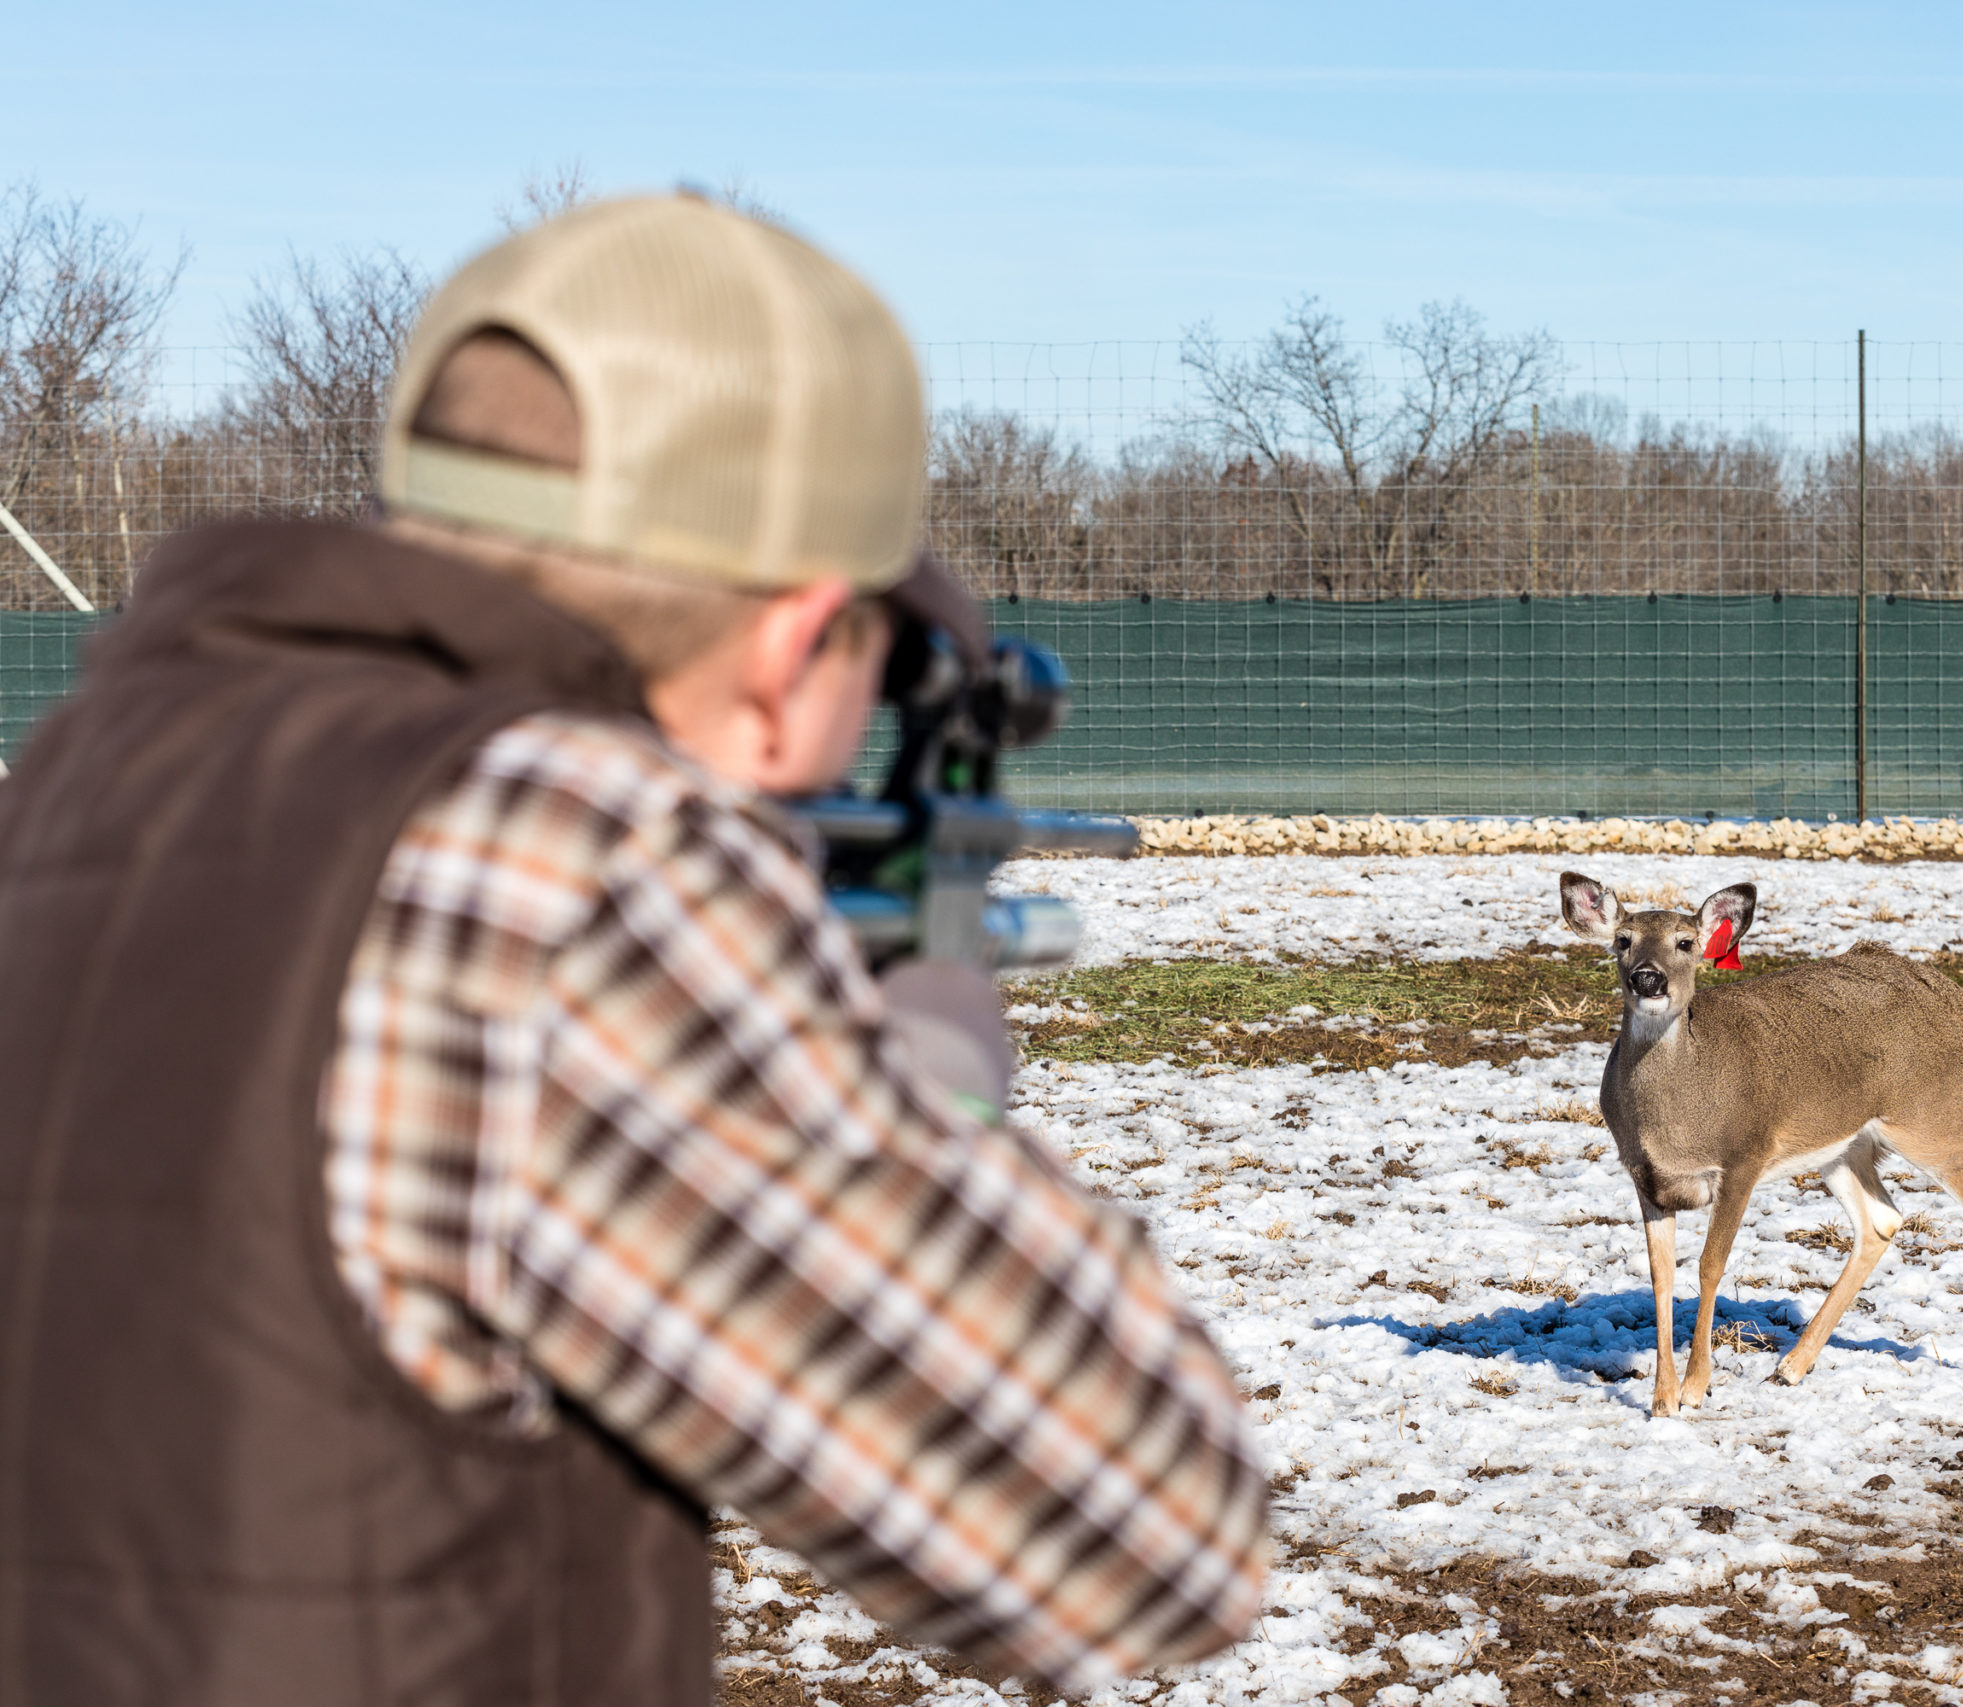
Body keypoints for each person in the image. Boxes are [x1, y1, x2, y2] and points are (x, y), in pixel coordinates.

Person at [0, 195, 1266, 1706]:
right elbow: (1143, 1538)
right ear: (796, 645)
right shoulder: (567, 855)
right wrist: (941, 1076)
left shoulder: (92, 767)